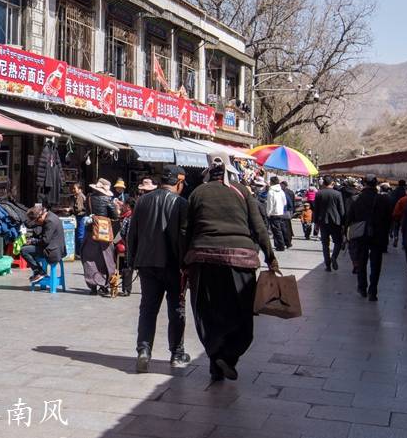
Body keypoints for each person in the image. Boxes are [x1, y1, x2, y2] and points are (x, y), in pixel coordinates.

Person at [183, 158, 277, 381]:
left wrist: (184, 261)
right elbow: (258, 226)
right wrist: (270, 256)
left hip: (203, 259)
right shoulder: (242, 191)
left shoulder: (197, 193)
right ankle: (229, 356)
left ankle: (216, 360)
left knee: (208, 312)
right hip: (240, 261)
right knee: (241, 312)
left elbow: (186, 230)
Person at [127, 167, 190, 373]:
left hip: (147, 264)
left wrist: (131, 260)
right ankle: (177, 353)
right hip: (173, 266)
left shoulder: (142, 201)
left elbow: (132, 233)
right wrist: (186, 264)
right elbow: (184, 236)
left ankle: (144, 350)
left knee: (147, 308)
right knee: (176, 310)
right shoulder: (181, 203)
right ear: (178, 183)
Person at [346, 175, 393, 301]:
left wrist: (347, 234)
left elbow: (349, 218)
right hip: (378, 235)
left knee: (361, 261)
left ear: (364, 183)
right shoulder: (384, 200)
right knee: (376, 263)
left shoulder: (355, 199)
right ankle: (373, 291)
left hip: (360, 235)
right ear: (376, 183)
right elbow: (389, 219)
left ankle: (362, 287)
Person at [81, 178, 119, 295]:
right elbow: (114, 216)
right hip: (104, 233)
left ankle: (92, 286)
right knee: (107, 259)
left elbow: (86, 212)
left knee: (89, 259)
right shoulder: (108, 200)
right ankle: (105, 285)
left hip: (90, 231)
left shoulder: (89, 198)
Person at [21, 204, 66, 281]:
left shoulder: (49, 221)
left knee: (24, 250)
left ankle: (39, 272)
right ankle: (39, 271)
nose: (37, 224)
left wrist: (33, 241)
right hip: (55, 248)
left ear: (40, 217)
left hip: (52, 251)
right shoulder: (51, 215)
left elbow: (45, 241)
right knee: (27, 247)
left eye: (37, 222)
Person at [313, 176, 346, 271]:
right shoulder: (338, 194)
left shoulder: (319, 194)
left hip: (323, 222)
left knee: (325, 244)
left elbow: (316, 210)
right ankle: (334, 257)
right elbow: (341, 209)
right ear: (332, 183)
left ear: (323, 183)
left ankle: (327, 265)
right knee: (338, 242)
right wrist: (343, 223)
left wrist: (316, 223)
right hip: (335, 222)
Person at [264, 177, 287, 251]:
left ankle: (280, 245)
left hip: (273, 213)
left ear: (272, 182)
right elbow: (285, 202)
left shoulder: (271, 192)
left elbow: (270, 204)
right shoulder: (281, 191)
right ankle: (280, 244)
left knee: (276, 231)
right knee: (280, 229)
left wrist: (268, 213)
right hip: (280, 212)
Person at [388, 180, 407, 248]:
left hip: (394, 210)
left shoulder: (394, 191)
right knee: (402, 226)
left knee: (394, 225)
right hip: (401, 212)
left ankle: (394, 235)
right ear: (404, 185)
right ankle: (403, 243)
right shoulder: (404, 193)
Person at [279, 180, 295, 248]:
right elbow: (292, 203)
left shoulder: (282, 193)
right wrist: (291, 211)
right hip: (287, 212)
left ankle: (284, 242)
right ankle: (288, 242)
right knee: (288, 228)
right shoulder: (290, 192)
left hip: (281, 212)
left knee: (282, 229)